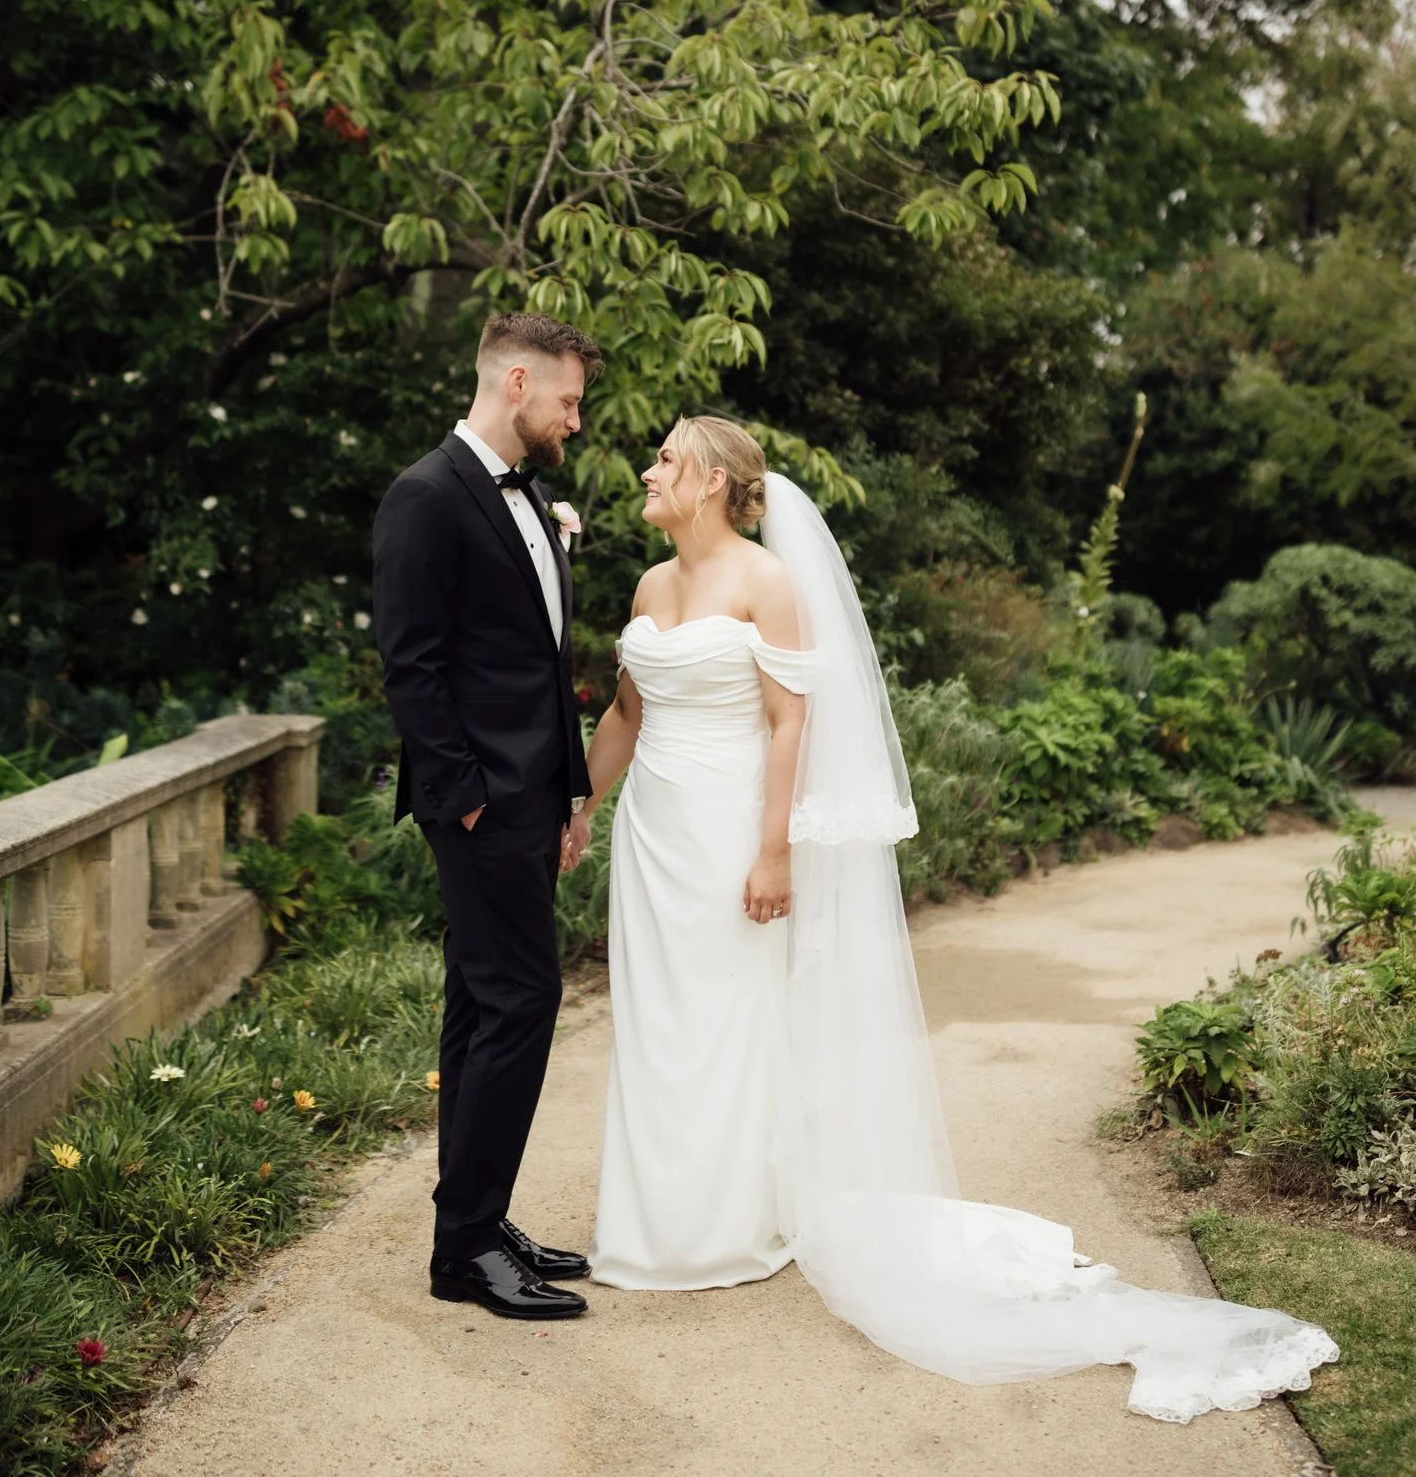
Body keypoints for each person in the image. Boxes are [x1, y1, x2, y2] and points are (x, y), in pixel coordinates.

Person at [571, 414, 1342, 1420]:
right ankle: (650, 1220)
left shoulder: (766, 582)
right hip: (652, 835)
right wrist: (582, 802)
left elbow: (790, 720)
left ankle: (726, 1224)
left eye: (666, 459)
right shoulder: (648, 588)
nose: (648, 470)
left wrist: (772, 851)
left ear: (715, 481)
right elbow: (628, 712)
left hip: (727, 832)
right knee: (658, 1023)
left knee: (728, 1019)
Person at [370, 312, 599, 1321]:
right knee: (521, 1004)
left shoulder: (533, 496)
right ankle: (463, 1248)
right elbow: (410, 668)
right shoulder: (425, 496)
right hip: (478, 805)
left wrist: (574, 788)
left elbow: (540, 666)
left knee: (479, 1005)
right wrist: (464, 799)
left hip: (530, 794)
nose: (574, 421)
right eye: (568, 400)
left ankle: (473, 1221)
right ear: (517, 383)